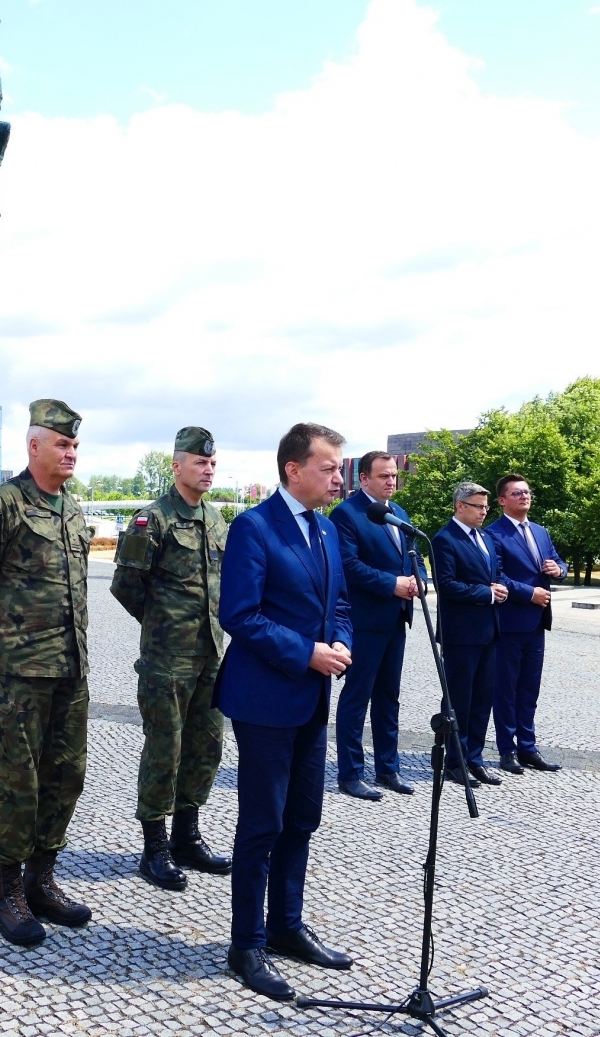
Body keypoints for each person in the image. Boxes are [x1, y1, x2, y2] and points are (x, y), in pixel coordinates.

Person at [216, 422, 355, 1002]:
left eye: (340, 468)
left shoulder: (325, 530)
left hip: (311, 699)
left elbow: (339, 603)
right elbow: (240, 614)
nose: (337, 478)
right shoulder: (253, 527)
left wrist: (342, 642)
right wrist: (308, 653)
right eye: (328, 468)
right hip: (265, 699)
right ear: (293, 469)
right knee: (262, 824)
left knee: (302, 818)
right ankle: (245, 944)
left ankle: (286, 927)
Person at [0, 399, 94, 947]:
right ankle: (5, 889)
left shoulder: (73, 510)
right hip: (18, 671)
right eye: (62, 443)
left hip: (70, 669)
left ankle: (42, 879)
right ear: (34, 446)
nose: (71, 452)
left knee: (66, 773)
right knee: (18, 778)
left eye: (75, 444)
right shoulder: (2, 506)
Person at [111, 426, 232, 892]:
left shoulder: (217, 520)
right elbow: (126, 585)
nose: (207, 469)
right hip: (167, 659)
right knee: (165, 748)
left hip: (212, 656)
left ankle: (187, 835)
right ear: (176, 465)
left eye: (212, 463)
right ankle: (155, 847)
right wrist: (162, 624)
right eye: (199, 462)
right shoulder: (152, 520)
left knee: (206, 747)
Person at [327, 451, 418, 801]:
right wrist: (391, 583)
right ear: (363, 479)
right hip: (363, 621)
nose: (391, 481)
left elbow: (412, 555)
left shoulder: (399, 513)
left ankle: (388, 768)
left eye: (394, 476)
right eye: (384, 476)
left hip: (396, 618)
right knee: (357, 697)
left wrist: (417, 580)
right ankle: (350, 773)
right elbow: (347, 565)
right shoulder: (347, 514)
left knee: (388, 698)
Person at [430, 481, 514, 788]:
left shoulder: (486, 538)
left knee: (482, 700)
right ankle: (453, 762)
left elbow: (495, 575)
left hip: (489, 631)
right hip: (461, 635)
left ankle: (473, 758)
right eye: (478, 506)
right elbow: (447, 585)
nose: (484, 512)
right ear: (460, 506)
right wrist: (487, 593)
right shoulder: (444, 540)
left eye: (486, 507)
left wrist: (500, 588)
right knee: (459, 701)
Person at [482, 474, 567, 775]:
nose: (524, 496)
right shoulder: (493, 534)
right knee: (505, 689)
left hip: (537, 624)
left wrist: (559, 569)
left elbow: (559, 562)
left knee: (530, 689)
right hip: (509, 622)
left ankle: (528, 747)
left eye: (527, 492)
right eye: (517, 493)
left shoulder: (541, 532)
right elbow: (497, 576)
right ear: (502, 500)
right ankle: (507, 749)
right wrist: (529, 593)